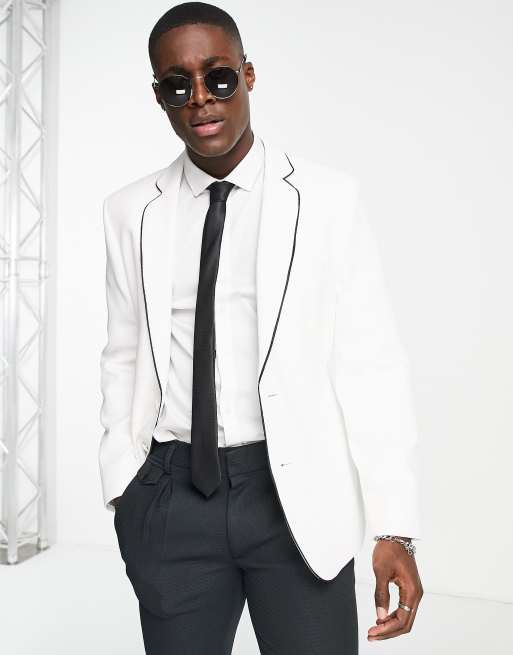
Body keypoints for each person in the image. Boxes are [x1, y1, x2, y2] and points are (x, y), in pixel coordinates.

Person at [98, 2, 423, 653]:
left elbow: (369, 364)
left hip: (293, 496)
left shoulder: (327, 201)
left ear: (248, 74)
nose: (200, 98)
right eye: (177, 85)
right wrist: (124, 485)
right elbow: (123, 351)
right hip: (172, 495)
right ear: (158, 96)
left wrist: (395, 525)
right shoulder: (129, 211)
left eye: (217, 77)